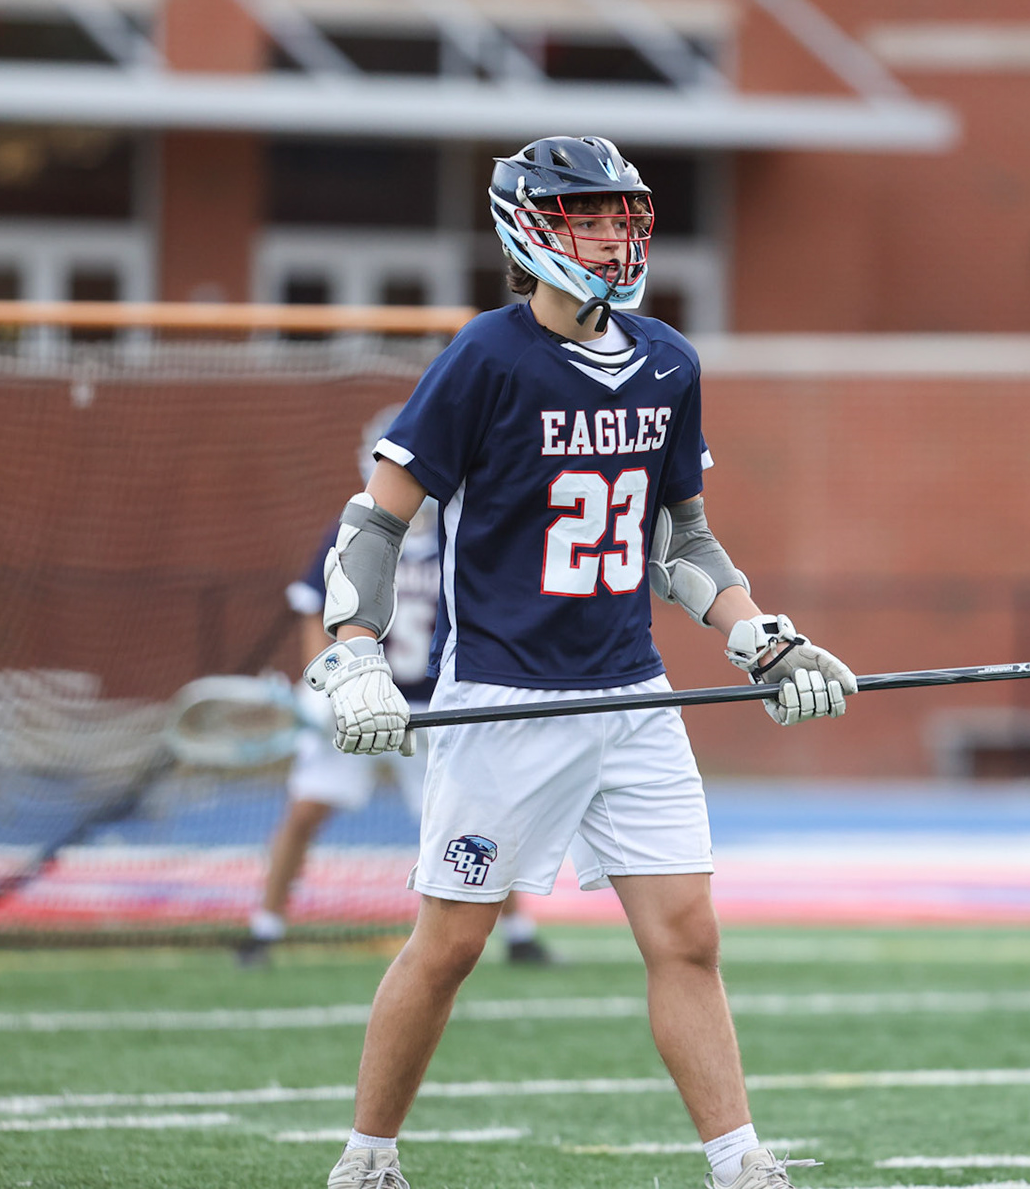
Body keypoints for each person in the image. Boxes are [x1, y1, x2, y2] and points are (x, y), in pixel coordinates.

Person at [305, 136, 855, 1189]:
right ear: (529, 230)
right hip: (505, 697)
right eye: (586, 217)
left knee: (688, 932)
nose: (612, 234)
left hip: (631, 692)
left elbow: (680, 540)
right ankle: (367, 1157)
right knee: (452, 944)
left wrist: (763, 640)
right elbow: (375, 522)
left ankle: (741, 1163)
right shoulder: (486, 356)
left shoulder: (667, 359)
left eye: (621, 216)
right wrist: (356, 651)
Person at [241, 407, 552, 967]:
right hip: (359, 700)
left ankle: (519, 932)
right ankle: (264, 926)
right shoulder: (359, 531)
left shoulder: (464, 536)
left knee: (473, 816)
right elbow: (318, 611)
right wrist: (324, 683)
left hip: (433, 704)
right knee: (307, 808)